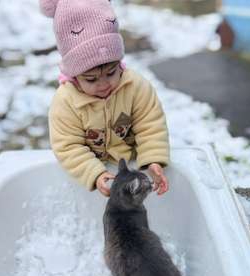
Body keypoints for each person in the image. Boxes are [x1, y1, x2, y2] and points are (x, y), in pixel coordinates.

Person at [39, 0, 170, 197]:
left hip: (132, 161)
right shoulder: (66, 102)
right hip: (95, 164)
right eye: (91, 79)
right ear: (74, 75)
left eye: (111, 73)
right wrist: (95, 173)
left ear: (119, 63)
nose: (103, 84)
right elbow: (68, 146)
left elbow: (150, 124)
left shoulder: (135, 86)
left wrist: (153, 159)